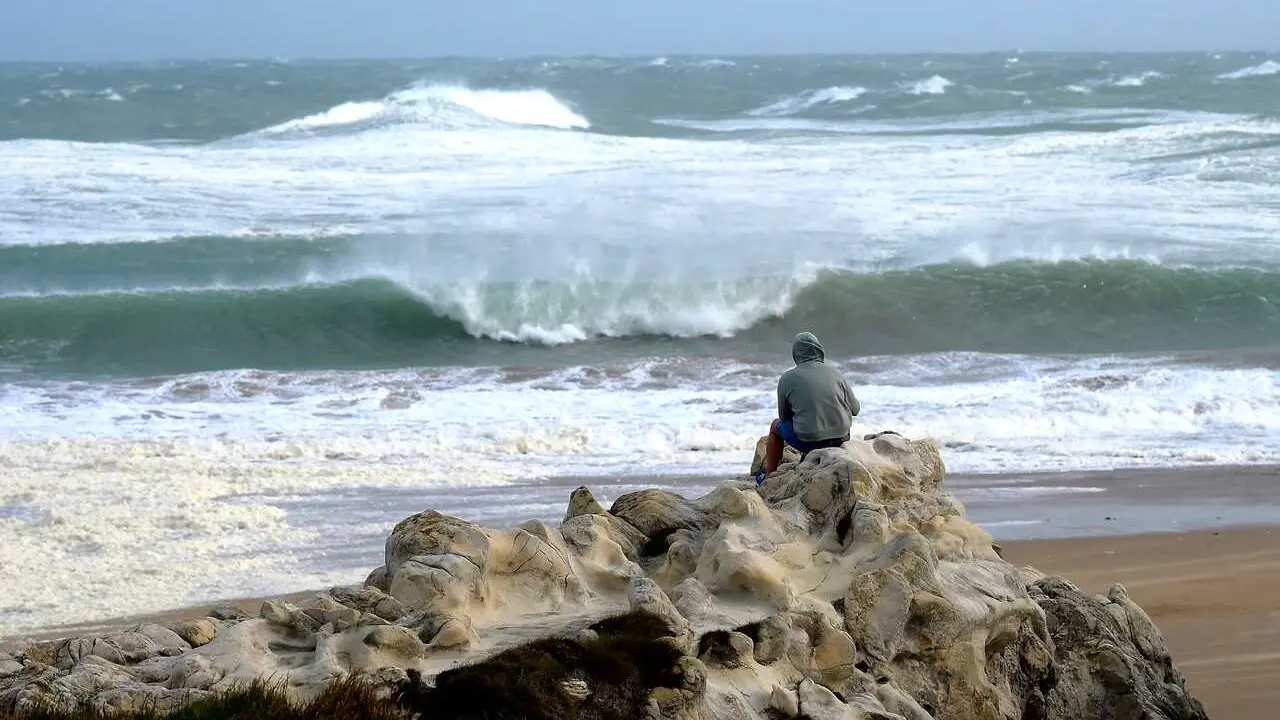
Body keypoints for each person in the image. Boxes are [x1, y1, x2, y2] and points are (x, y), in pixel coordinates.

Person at [755, 331, 860, 487]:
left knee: (775, 426)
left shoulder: (787, 378)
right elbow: (855, 409)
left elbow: (784, 418)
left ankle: (769, 477)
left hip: (809, 442)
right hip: (842, 438)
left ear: (795, 353)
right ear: (819, 349)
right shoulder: (835, 372)